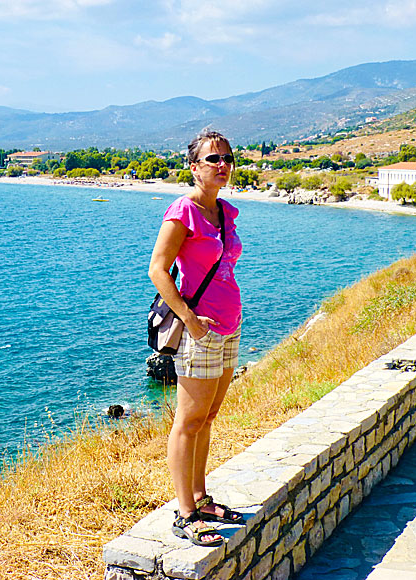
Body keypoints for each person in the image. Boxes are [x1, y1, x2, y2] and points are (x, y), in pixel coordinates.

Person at [148, 130, 245, 547]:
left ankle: (202, 497)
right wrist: (190, 319)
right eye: (212, 159)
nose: (222, 165)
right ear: (193, 166)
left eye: (227, 157)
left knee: (207, 418)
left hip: (230, 326)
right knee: (186, 422)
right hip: (199, 332)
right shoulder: (181, 211)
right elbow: (157, 268)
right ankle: (185, 512)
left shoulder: (225, 212)